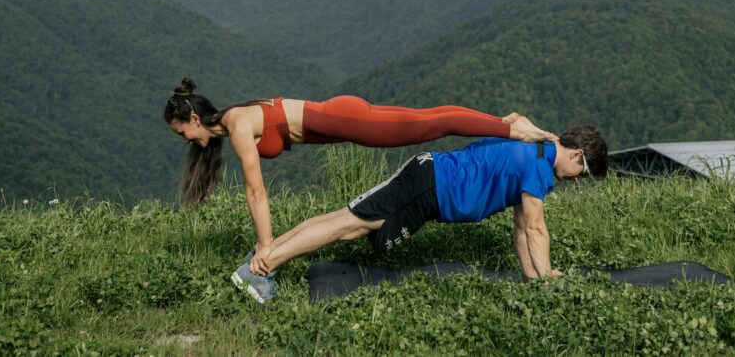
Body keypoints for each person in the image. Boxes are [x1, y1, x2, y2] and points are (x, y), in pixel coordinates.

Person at [163, 78, 560, 276]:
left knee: (432, 124)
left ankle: (511, 127)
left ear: (194, 118)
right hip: (342, 117)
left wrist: (266, 245)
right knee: (428, 121)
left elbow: (256, 193)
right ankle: (507, 124)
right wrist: (266, 245)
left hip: (344, 119)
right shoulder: (232, 121)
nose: (187, 141)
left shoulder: (236, 124)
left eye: (183, 133)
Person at [229, 125, 609, 303]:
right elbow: (536, 230)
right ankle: (259, 270)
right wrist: (547, 284)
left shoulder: (535, 149)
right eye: (584, 172)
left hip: (429, 176)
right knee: (348, 226)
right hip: (429, 188)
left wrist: (533, 276)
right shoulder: (539, 167)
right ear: (577, 154)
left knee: (345, 220)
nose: (578, 180)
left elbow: (522, 226)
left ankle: (264, 257)